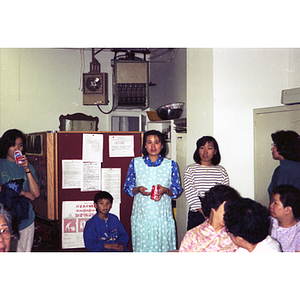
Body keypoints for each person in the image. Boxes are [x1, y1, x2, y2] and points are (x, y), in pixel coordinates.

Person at [123, 130, 182, 252]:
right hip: (142, 216)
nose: (153, 146)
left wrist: (165, 190)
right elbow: (127, 188)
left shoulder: (170, 164)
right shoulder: (136, 163)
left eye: (156, 142)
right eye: (149, 142)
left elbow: (176, 191)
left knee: (163, 248)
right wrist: (138, 189)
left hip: (162, 216)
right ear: (145, 145)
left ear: (162, 145)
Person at [0, 129, 40, 252]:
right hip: (5, 222)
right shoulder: (1, 164)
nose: (17, 148)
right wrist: (22, 192)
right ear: (6, 146)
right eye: (13, 145)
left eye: (20, 145)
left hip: (25, 220)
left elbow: (36, 193)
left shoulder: (28, 166)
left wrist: (27, 169)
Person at [184, 136, 229, 230]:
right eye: (202, 148)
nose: (205, 152)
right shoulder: (190, 169)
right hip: (197, 213)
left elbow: (224, 194)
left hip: (215, 212)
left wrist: (213, 213)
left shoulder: (221, 171)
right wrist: (204, 213)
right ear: (198, 150)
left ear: (215, 151)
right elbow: (190, 194)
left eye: (209, 148)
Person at [179, 184, 240, 252]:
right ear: (214, 205)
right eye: (228, 208)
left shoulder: (236, 237)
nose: (231, 212)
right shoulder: (193, 236)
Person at [268, 130, 300, 200]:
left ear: (282, 147)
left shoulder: (284, 169)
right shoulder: (296, 166)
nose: (272, 149)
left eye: (274, 145)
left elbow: (277, 200)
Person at [269, 185, 300, 252]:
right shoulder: (268, 222)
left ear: (288, 210)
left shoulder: (297, 233)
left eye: (275, 203)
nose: (271, 206)